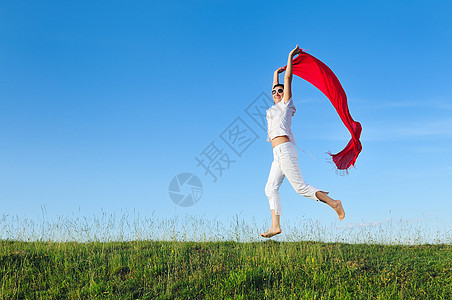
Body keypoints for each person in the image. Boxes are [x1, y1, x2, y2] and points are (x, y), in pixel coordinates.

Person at [260, 45, 345, 238]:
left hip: (285, 150)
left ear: (285, 94)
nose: (276, 93)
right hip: (277, 154)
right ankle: (275, 226)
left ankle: (334, 203)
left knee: (300, 188)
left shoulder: (286, 106)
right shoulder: (273, 109)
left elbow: (288, 79)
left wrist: (290, 57)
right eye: (274, 92)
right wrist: (275, 74)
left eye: (280, 91)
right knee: (270, 188)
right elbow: (277, 84)